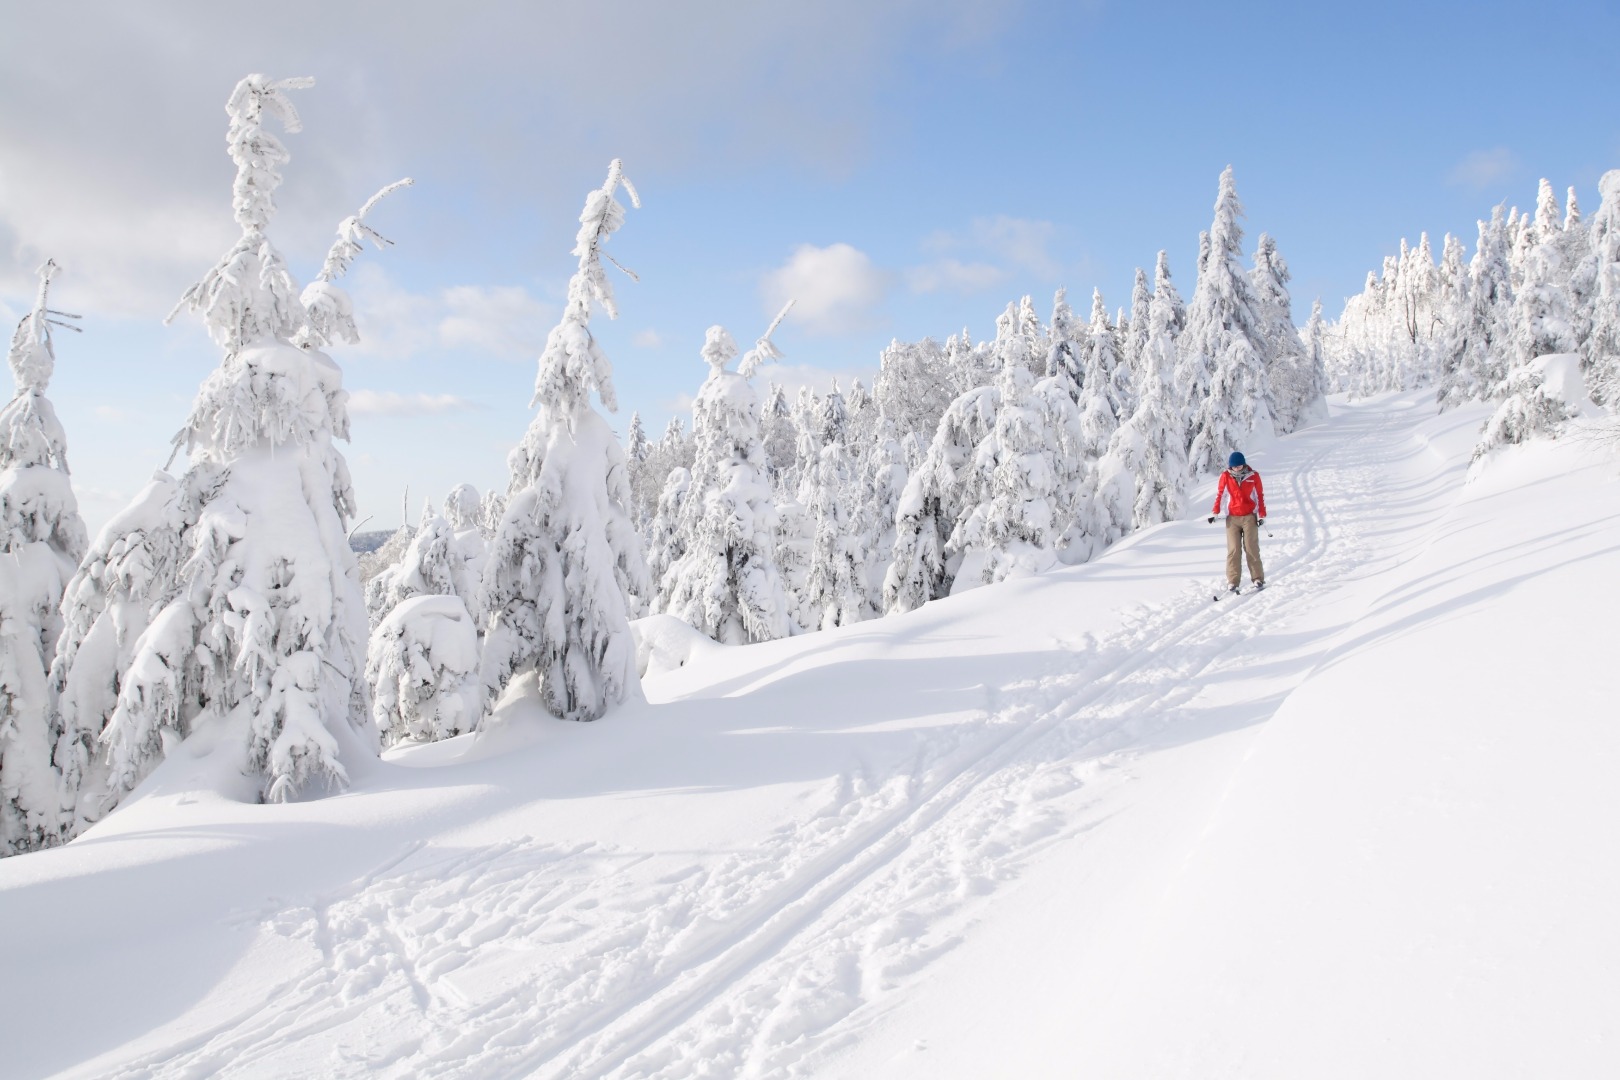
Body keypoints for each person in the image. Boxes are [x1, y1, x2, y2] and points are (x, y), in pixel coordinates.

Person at [1208, 451, 1266, 592]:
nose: (1237, 469)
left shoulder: (1253, 476)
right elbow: (1221, 495)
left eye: (1239, 466)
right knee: (1233, 550)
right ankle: (1233, 581)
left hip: (1249, 517)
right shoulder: (1226, 476)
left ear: (1244, 464)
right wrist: (1215, 512)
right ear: (1230, 466)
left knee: (1251, 548)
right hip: (1232, 518)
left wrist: (1261, 515)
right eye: (1234, 467)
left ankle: (1257, 578)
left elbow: (1259, 495)